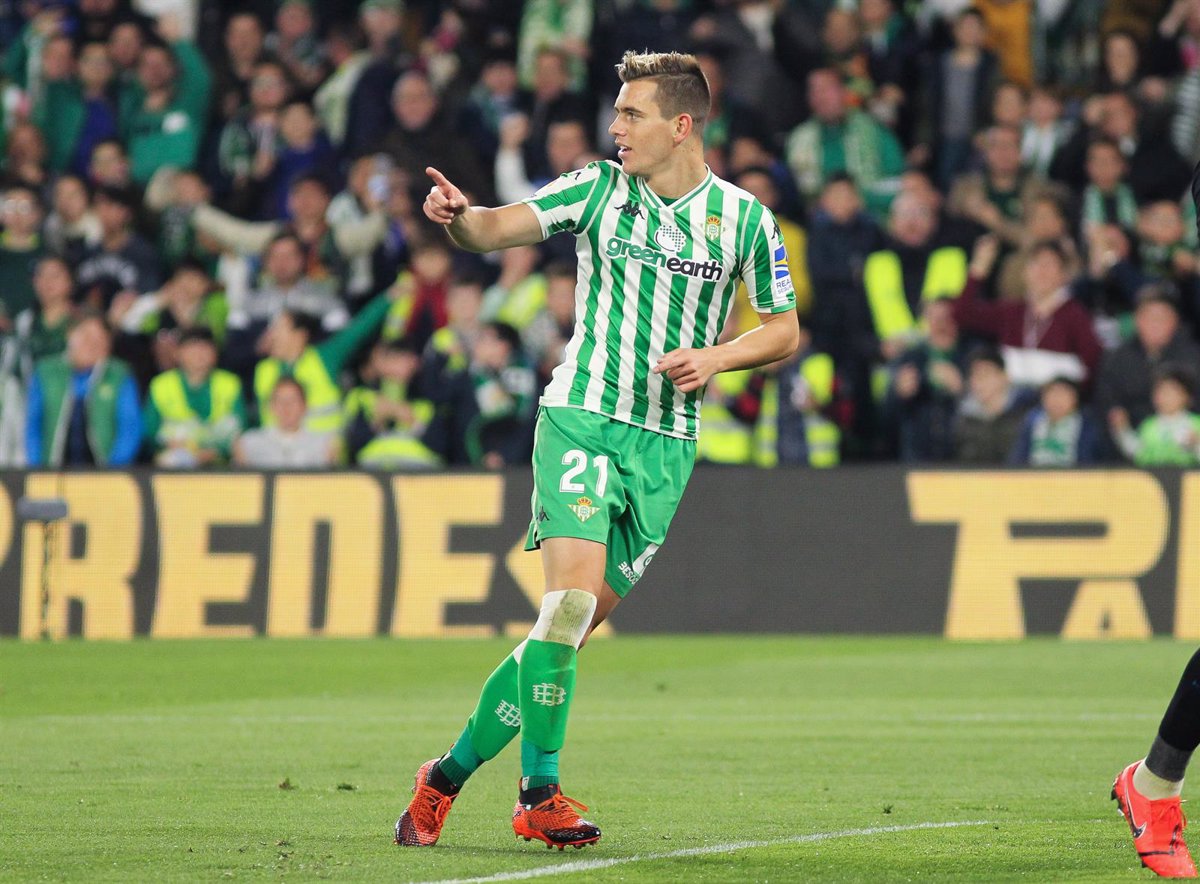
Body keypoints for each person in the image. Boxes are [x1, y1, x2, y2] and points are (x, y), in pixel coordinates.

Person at [395, 50, 799, 851]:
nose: (614, 129)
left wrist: (716, 358)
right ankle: (537, 794)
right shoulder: (597, 189)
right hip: (581, 416)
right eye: (615, 114)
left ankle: (441, 778)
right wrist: (460, 217)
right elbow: (495, 229)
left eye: (631, 115)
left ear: (681, 125)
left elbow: (784, 328)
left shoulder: (746, 219)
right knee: (567, 604)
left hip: (666, 448)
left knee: (561, 636)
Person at [25, 312, 141, 467]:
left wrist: (114, 470)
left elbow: (130, 427)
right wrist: (37, 469)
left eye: (98, 340)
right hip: (53, 471)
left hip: (104, 473)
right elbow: (33, 425)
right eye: (85, 337)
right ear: (69, 335)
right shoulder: (46, 371)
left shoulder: (118, 375)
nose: (90, 345)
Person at [143, 327, 244, 468]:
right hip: (176, 462)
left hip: (221, 462)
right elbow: (150, 432)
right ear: (177, 353)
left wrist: (214, 452)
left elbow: (240, 427)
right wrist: (166, 445)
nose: (199, 354)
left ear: (215, 353)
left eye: (205, 348)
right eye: (192, 348)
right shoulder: (161, 385)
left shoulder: (229, 384)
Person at [233, 376, 337, 468]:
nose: (286, 407)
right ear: (271, 406)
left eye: (292, 400)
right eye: (280, 401)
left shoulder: (324, 445)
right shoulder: (249, 443)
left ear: (304, 406)